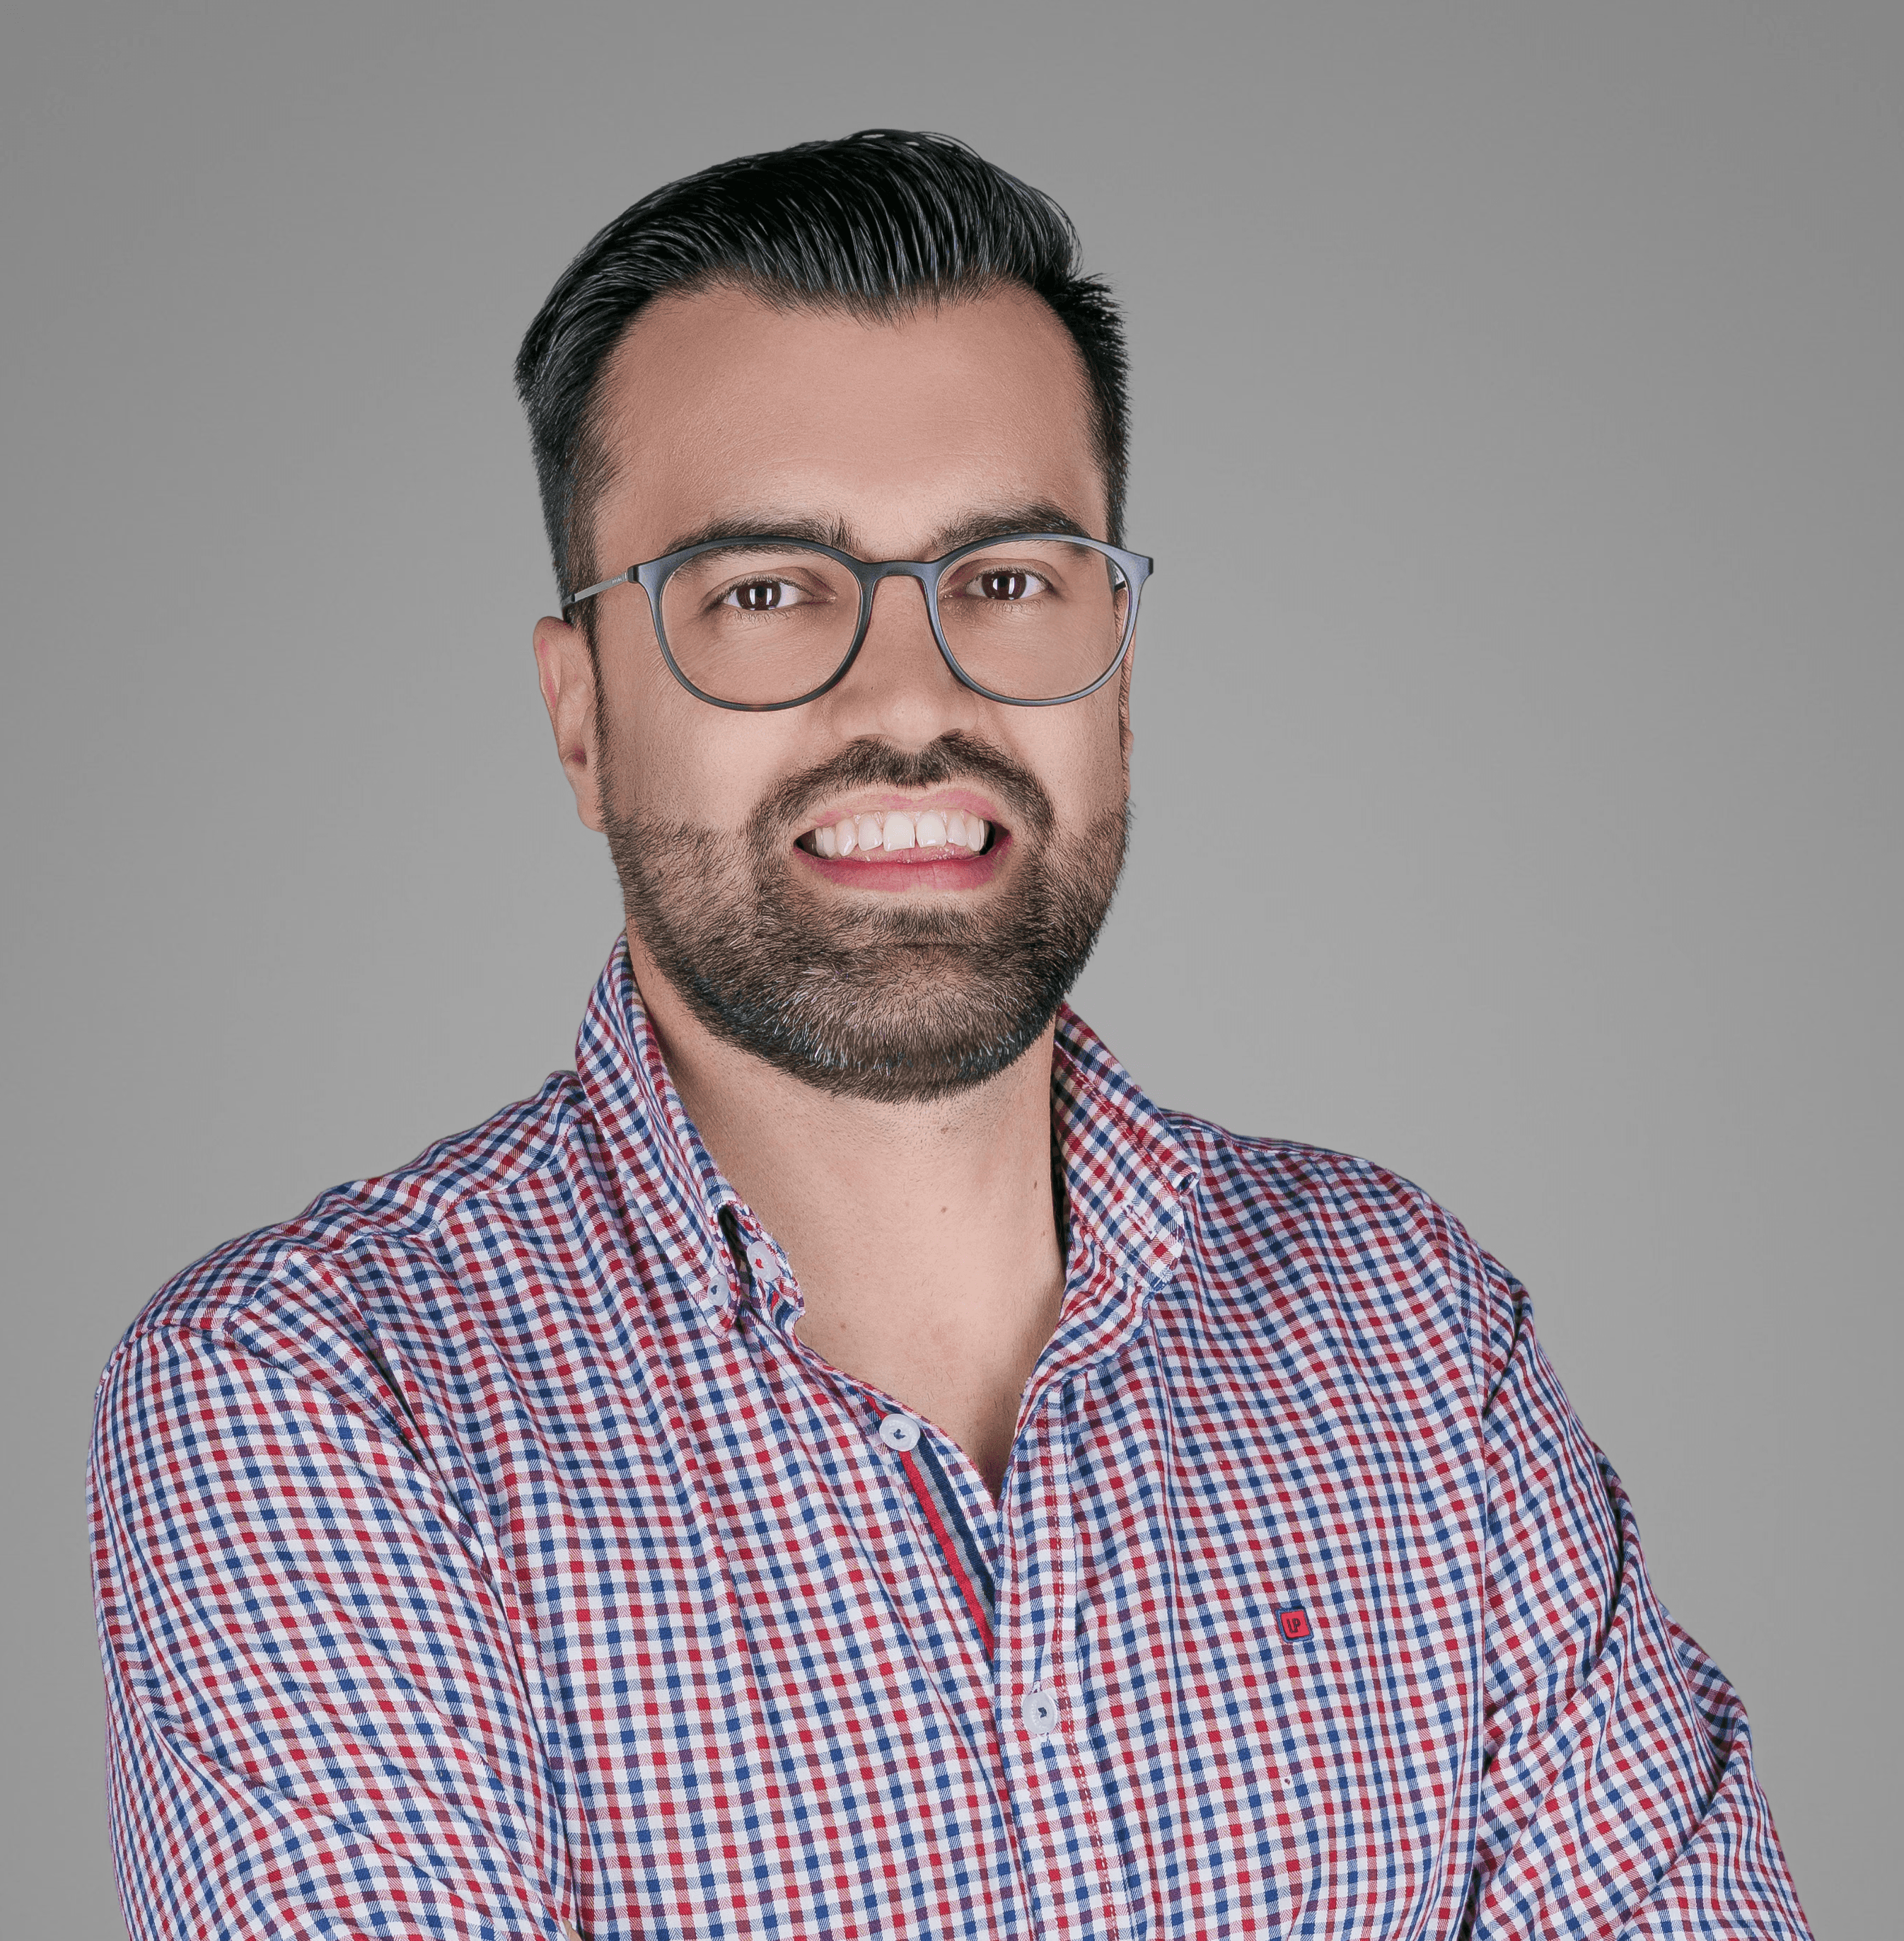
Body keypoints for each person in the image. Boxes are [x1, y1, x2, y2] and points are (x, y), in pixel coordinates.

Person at [88, 129, 1809, 1940]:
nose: (909, 698)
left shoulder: (1409, 1332)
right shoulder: (319, 1393)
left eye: (1006, 579)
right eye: (761, 594)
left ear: (1120, 681)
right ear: (580, 717)